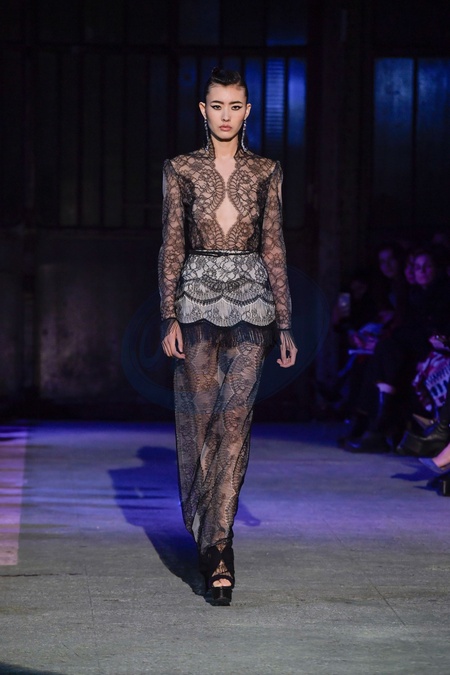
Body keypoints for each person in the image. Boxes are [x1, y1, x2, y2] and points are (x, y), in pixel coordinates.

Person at [158, 68, 297, 605]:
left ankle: (220, 546)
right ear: (203, 109)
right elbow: (172, 243)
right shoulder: (181, 168)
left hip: (253, 308)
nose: (225, 115)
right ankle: (203, 532)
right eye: (216, 105)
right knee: (199, 424)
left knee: (235, 423)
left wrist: (285, 322)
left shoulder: (266, 170)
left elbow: (274, 246)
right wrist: (168, 315)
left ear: (247, 111)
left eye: (235, 106)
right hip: (194, 305)